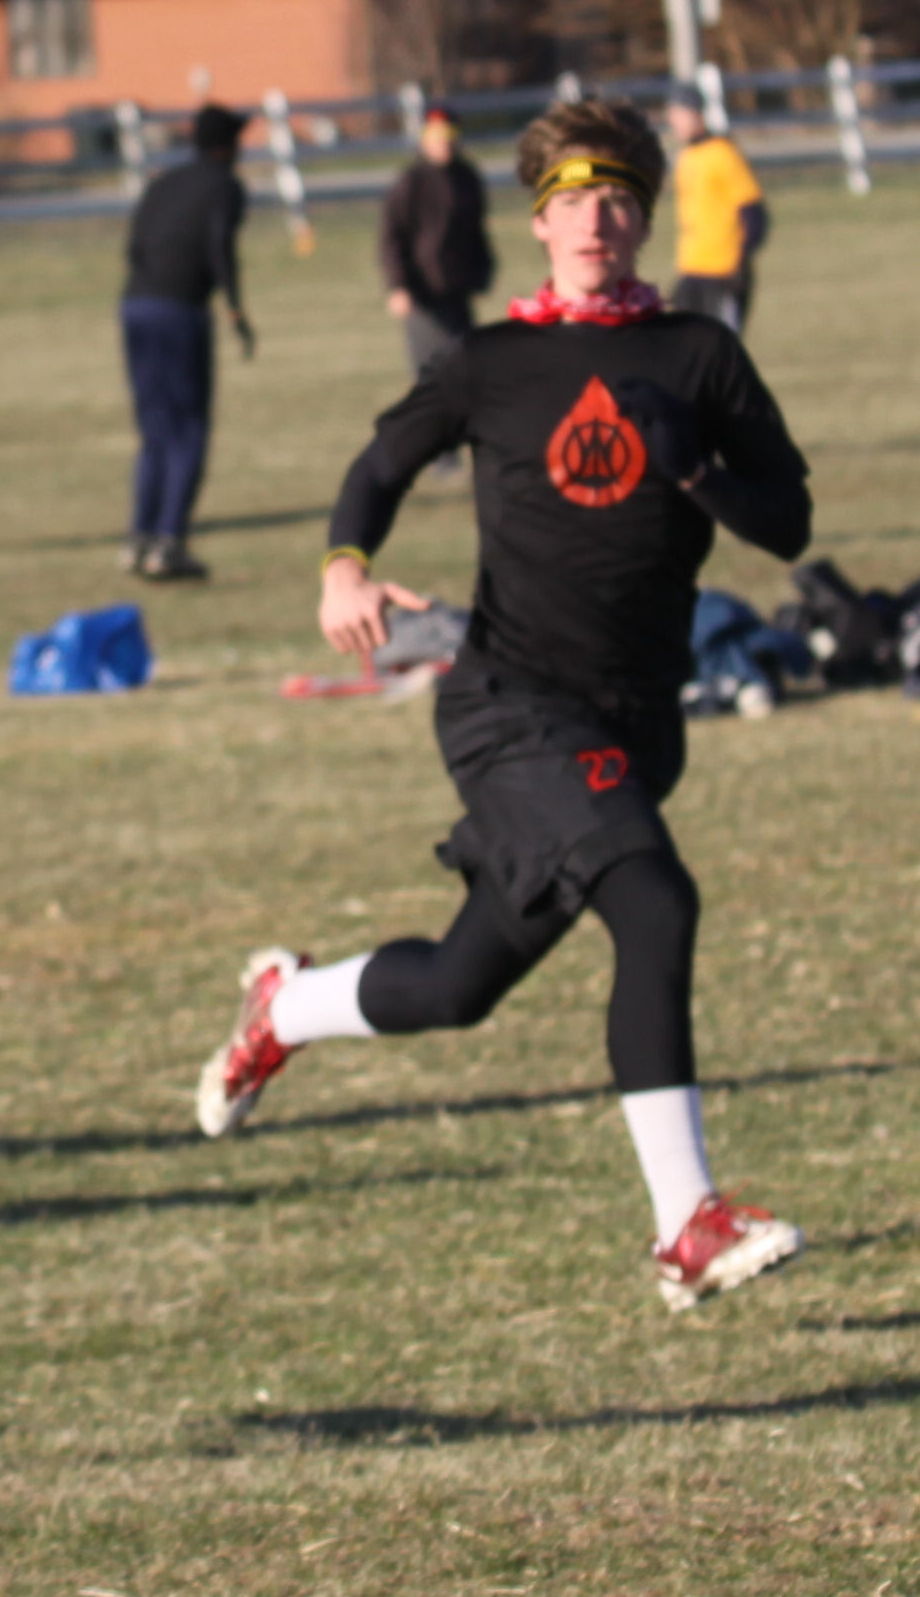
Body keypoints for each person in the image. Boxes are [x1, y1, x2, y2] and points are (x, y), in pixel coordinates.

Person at [196, 98, 812, 1311]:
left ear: (643, 220)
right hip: (511, 705)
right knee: (657, 906)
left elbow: (787, 523)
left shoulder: (700, 355)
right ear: (539, 223)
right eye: (573, 201)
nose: (597, 221)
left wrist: (696, 468)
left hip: (636, 725)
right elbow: (379, 467)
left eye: (619, 200)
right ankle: (686, 1226)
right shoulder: (492, 361)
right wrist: (343, 567)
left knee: (457, 985)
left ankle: (286, 1007)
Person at [117, 103, 257, 582]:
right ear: (227, 146)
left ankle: (139, 538)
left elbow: (134, 246)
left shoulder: (162, 183)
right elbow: (220, 246)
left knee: (155, 429)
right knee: (188, 431)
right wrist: (234, 308)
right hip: (180, 311)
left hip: (136, 306)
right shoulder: (225, 187)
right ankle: (169, 543)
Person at [379, 104, 494, 475]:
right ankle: (439, 455)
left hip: (457, 291)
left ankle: (470, 446)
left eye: (450, 137)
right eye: (436, 137)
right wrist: (398, 286)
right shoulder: (411, 182)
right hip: (423, 296)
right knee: (433, 376)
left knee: (467, 369)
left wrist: (483, 270)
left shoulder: (467, 178)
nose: (444, 144)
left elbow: (477, 231)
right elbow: (391, 238)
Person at [666, 82, 768, 336]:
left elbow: (754, 213)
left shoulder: (723, 154)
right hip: (691, 269)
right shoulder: (685, 157)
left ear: (695, 113)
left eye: (678, 114)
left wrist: (740, 260)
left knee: (720, 344)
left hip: (723, 271)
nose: (673, 122)